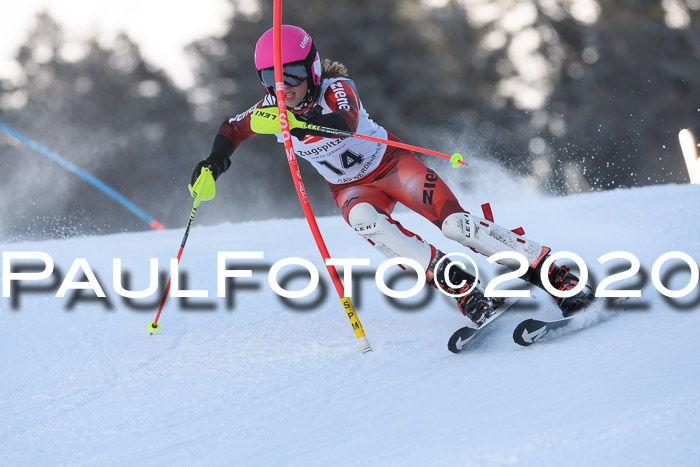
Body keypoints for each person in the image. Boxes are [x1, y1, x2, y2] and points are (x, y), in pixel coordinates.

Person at [190, 24, 594, 328]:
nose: (284, 88)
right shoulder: (268, 108)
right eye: (271, 79)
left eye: (293, 75)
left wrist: (292, 124)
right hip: (351, 188)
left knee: (456, 226)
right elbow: (232, 127)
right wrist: (214, 163)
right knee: (365, 222)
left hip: (393, 166)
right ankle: (463, 288)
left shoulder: (336, 88)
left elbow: (344, 123)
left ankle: (553, 273)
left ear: (311, 69)